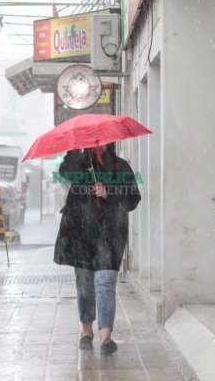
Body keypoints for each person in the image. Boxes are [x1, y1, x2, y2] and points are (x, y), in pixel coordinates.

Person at [54, 144, 141, 355]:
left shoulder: (120, 167)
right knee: (85, 284)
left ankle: (105, 337)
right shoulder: (79, 164)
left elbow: (133, 199)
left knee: (104, 282)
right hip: (81, 235)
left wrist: (108, 192)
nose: (97, 145)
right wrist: (74, 150)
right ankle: (86, 330)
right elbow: (65, 173)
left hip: (110, 235)